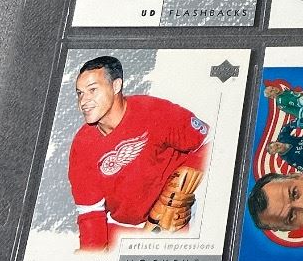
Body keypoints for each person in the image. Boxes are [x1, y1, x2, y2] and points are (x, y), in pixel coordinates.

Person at [67, 55, 208, 250]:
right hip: (126, 231)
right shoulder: (82, 145)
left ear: (116, 86)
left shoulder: (154, 111)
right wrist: (92, 256)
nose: (84, 101)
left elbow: (211, 141)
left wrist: (178, 192)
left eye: (92, 90)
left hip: (175, 220)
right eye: (80, 93)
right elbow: (90, 213)